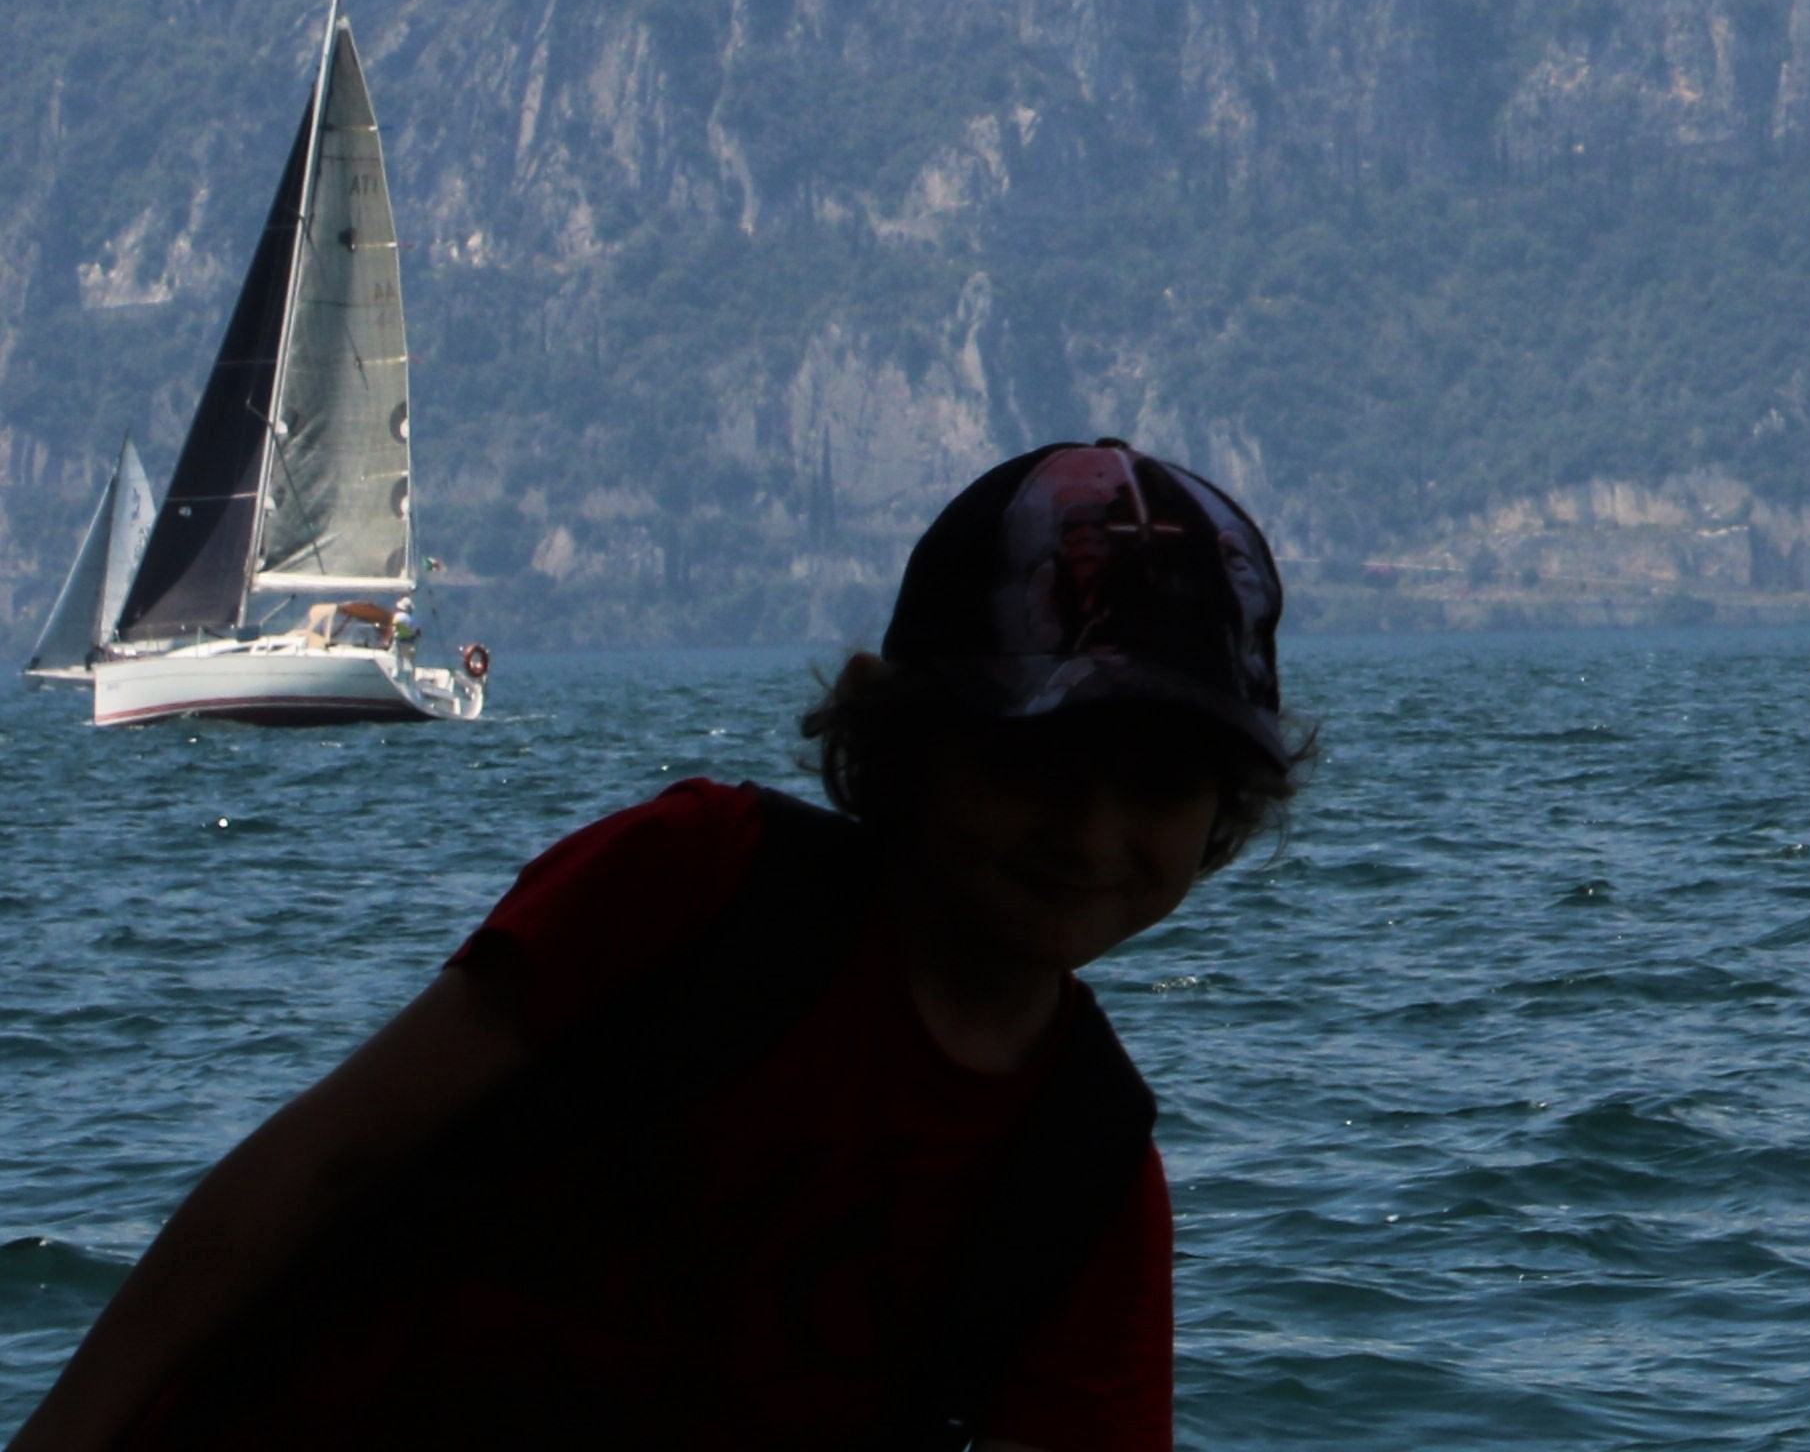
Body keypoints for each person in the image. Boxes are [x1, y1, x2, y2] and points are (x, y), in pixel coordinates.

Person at [10, 440, 1305, 1452]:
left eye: (1158, 785)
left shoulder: (1083, 1179)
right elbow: (323, 1163)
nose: (1091, 829)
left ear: (1223, 820)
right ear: (911, 739)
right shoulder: (701, 884)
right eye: (1039, 761)